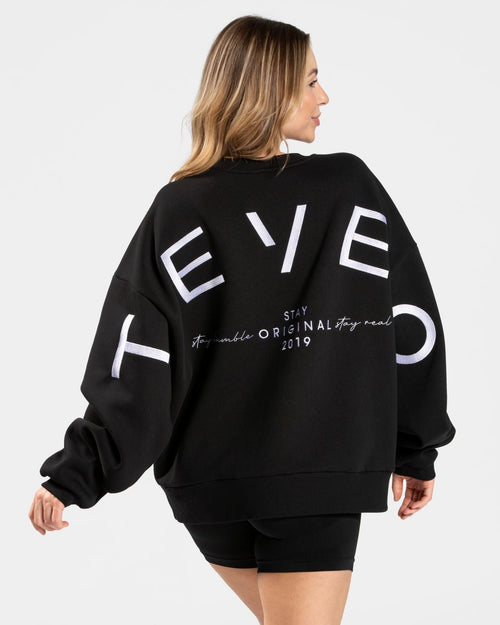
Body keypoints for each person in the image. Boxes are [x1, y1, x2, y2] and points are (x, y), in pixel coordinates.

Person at [29, 14, 456, 625]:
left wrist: (79, 471)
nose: (324, 97)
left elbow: (139, 354)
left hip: (209, 486)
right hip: (313, 480)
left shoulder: (180, 205)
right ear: (269, 89)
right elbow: (410, 325)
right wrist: (415, 447)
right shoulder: (347, 186)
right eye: (310, 81)